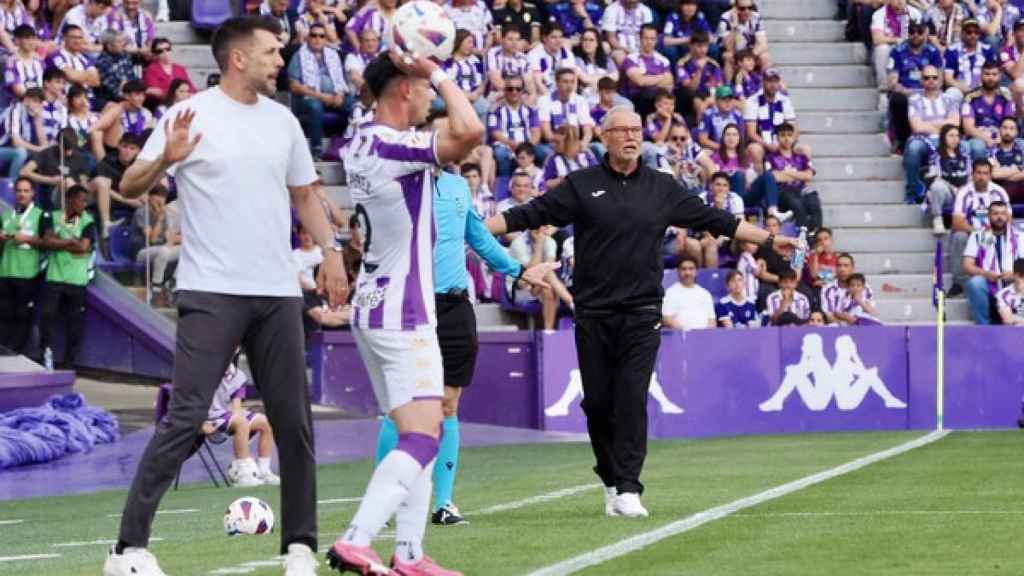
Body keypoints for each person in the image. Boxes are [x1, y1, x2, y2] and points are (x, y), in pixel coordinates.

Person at [105, 16, 347, 576]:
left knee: (294, 421)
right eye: (270, 52)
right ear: (238, 58)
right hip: (211, 291)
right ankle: (128, 550)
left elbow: (305, 195)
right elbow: (129, 186)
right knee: (186, 417)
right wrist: (169, 157)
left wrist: (332, 253)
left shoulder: (284, 121)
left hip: (277, 292)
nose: (278, 60)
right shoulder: (191, 117)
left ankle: (299, 549)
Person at [485, 106, 799, 518]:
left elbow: (715, 219)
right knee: (597, 404)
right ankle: (611, 478)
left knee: (631, 396)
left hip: (642, 310)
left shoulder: (662, 188)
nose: (632, 137)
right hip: (594, 310)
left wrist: (769, 239)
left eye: (637, 129)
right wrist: (471, 229)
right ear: (606, 135)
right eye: (623, 130)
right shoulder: (582, 185)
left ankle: (630, 486)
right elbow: (529, 214)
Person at [326, 44, 485, 575]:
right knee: (421, 434)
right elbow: (470, 131)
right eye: (419, 90)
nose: (427, 100)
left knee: (425, 429)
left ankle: (411, 553)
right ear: (403, 90)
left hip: (376, 301)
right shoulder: (393, 143)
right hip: (403, 310)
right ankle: (358, 538)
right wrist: (437, 70)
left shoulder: (360, 140)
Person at [38, 184, 94, 370]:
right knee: (46, 318)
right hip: (54, 277)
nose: (84, 204)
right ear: (70, 200)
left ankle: (70, 363)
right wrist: (70, 241)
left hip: (77, 280)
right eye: (81, 200)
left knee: (74, 324)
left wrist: (59, 242)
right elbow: (46, 241)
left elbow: (83, 247)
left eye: (86, 201)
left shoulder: (88, 221)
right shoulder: (52, 216)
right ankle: (44, 356)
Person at [203, 359, 282, 487]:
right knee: (242, 423)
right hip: (209, 416)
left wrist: (243, 426)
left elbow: (236, 407)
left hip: (226, 413)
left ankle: (263, 471)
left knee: (265, 423)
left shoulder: (239, 376)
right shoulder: (204, 370)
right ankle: (243, 473)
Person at [949, 159, 1009, 296]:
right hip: (972, 233)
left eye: (985, 173)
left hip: (997, 232)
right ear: (972, 174)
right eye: (979, 173)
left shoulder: (999, 192)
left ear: (990, 175)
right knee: (959, 236)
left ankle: (1007, 278)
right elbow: (957, 222)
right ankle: (959, 283)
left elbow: (1008, 219)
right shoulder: (964, 192)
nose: (982, 177)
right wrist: (978, 234)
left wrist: (993, 233)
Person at [287, 21, 347, 159]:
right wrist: (321, 96)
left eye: (321, 36)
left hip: (333, 97)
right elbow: (293, 86)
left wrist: (340, 95)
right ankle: (316, 149)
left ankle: (347, 145)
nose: (317, 39)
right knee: (315, 106)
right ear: (308, 38)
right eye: (313, 36)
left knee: (352, 104)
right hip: (308, 99)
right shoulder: (299, 56)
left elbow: (341, 81)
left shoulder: (333, 55)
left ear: (326, 39)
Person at [902, 64, 959, 201]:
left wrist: (928, 124)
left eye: (934, 77)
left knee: (966, 147)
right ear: (921, 80)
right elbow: (917, 127)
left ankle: (959, 191)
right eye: (927, 78)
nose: (931, 80)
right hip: (923, 141)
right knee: (913, 148)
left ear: (940, 80)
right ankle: (913, 191)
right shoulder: (914, 100)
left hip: (947, 139)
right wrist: (942, 125)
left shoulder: (949, 99)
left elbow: (955, 124)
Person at [0, 177, 43, 353]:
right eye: (19, 191)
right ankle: (3, 349)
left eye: (26, 191)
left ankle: (16, 350)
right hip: (5, 272)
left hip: (27, 274)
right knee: (3, 314)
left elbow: (48, 242)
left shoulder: (40, 215)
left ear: (33, 193)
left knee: (23, 314)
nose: (22, 194)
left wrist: (28, 239)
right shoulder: (5, 215)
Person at [962, 201, 1023, 323]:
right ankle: (984, 327)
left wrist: (1014, 274)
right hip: (989, 285)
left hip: (1015, 285)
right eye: (995, 214)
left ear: (1007, 216)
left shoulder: (1020, 236)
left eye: (1003, 213)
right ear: (989, 216)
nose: (999, 217)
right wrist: (986, 274)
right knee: (975, 283)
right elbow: (967, 265)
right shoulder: (977, 236)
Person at [885, 20, 941, 151]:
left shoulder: (933, 52)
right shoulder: (897, 52)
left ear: (925, 34)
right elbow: (892, 82)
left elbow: (939, 80)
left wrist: (924, 93)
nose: (915, 35)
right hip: (906, 92)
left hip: (928, 91)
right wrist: (909, 92)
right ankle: (902, 141)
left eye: (919, 32)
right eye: (912, 31)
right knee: (897, 99)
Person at [767, 122, 822, 232]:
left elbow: (809, 175)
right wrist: (800, 175)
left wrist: (787, 173)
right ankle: (802, 238)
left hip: (800, 190)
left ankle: (815, 235)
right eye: (783, 135)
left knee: (814, 203)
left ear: (793, 137)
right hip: (782, 192)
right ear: (777, 138)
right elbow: (774, 177)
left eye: (789, 135)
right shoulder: (770, 157)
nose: (786, 139)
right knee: (797, 204)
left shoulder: (802, 157)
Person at [744, 68, 798, 173]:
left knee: (804, 149)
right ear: (763, 82)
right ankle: (761, 182)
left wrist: (785, 144)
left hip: (782, 140)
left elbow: (794, 128)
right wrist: (768, 145)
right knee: (755, 149)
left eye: (776, 81)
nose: (773, 85)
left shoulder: (785, 100)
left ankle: (802, 186)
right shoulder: (752, 101)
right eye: (769, 81)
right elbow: (751, 133)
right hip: (761, 142)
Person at [132, 184, 178, 306]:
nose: (161, 200)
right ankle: (156, 288)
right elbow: (151, 239)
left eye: (163, 197)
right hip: (142, 251)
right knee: (163, 251)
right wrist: (159, 220)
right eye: (158, 196)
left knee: (184, 251)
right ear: (150, 197)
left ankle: (172, 281)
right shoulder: (142, 212)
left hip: (159, 250)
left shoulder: (165, 214)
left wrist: (171, 240)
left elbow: (168, 237)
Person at [961, 61, 1015, 161]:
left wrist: (1001, 138)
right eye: (987, 74)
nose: (990, 78)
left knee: (1021, 144)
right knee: (978, 147)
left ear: (1000, 76)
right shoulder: (971, 97)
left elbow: (1010, 124)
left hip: (1001, 136)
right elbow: (968, 128)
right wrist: (986, 139)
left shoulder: (1005, 97)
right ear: (981, 76)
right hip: (978, 137)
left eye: (994, 74)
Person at [488, 74, 541, 176]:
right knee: (501, 154)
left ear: (522, 91)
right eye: (510, 89)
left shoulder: (531, 109)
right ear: (504, 90)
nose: (514, 92)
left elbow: (536, 132)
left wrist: (525, 147)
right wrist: (512, 144)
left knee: (544, 151)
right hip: (505, 145)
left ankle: (540, 182)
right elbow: (495, 133)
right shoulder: (495, 109)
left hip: (527, 144)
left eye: (518, 89)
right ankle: (506, 182)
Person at [618, 24, 673, 119]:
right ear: (640, 39)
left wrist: (647, 79)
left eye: (652, 39)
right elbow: (639, 81)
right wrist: (662, 77)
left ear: (656, 40)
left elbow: (669, 82)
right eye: (646, 38)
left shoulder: (663, 60)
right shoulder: (631, 58)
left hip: (658, 97)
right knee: (648, 93)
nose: (649, 42)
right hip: (636, 98)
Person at [925, 123, 972, 235]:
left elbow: (971, 177)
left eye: (957, 136)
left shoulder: (965, 157)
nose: (955, 139)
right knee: (937, 186)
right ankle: (938, 220)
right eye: (951, 135)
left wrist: (963, 189)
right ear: (943, 137)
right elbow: (936, 177)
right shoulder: (936, 156)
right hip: (948, 194)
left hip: (964, 193)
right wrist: (954, 188)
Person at [870, 0, 921, 97]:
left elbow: (922, 36)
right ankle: (884, 89)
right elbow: (877, 39)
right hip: (890, 47)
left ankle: (917, 86)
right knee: (882, 48)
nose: (900, 1)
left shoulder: (915, 13)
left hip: (910, 46)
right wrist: (897, 40)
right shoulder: (879, 14)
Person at [943, 18, 997, 106]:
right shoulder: (952, 50)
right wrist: (966, 89)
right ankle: (952, 119)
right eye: (969, 32)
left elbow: (993, 74)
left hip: (983, 89)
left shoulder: (987, 49)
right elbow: (948, 79)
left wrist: (980, 90)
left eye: (976, 32)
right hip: (960, 89)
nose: (973, 35)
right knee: (951, 95)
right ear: (962, 34)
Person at [0, 87, 46, 178]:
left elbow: (43, 144)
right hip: (3, 147)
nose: (38, 105)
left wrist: (38, 121)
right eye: (35, 101)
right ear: (26, 100)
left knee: (47, 154)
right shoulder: (14, 111)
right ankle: (13, 184)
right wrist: (38, 149)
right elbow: (16, 142)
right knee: (20, 153)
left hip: (12, 149)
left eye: (40, 102)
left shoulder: (33, 114)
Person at [661, 255, 715, 330]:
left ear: (696, 271)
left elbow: (712, 321)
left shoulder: (705, 294)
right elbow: (667, 319)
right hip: (680, 337)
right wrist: (687, 333)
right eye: (684, 269)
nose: (687, 272)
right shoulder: (670, 293)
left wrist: (703, 336)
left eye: (691, 269)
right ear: (678, 271)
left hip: (704, 337)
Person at [821, 252, 875, 325]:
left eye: (846, 266)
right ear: (836, 268)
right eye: (839, 266)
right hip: (838, 330)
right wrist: (846, 329)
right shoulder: (828, 289)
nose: (842, 269)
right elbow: (829, 316)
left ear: (852, 268)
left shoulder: (865, 288)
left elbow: (871, 313)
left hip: (862, 328)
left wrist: (859, 301)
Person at [142, 37, 196, 102]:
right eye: (160, 51)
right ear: (155, 55)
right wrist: (179, 93)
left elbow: (192, 88)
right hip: (163, 105)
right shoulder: (151, 70)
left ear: (171, 50)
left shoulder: (180, 69)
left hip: (182, 102)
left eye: (167, 49)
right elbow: (155, 93)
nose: (165, 52)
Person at [93, 29, 137, 109]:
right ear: (109, 45)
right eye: (119, 42)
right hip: (111, 100)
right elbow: (113, 91)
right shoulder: (101, 62)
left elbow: (132, 78)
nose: (122, 44)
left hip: (130, 95)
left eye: (123, 41)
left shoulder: (125, 56)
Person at [528, 22, 575, 97]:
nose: (558, 41)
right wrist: (550, 100)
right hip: (542, 93)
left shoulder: (567, 53)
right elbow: (538, 82)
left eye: (560, 37)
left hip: (564, 92)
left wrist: (571, 97)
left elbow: (572, 78)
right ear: (544, 38)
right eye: (554, 37)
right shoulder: (534, 54)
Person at [600, 0, 653, 64]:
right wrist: (629, 51)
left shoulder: (645, 11)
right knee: (621, 56)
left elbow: (648, 35)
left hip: (641, 49)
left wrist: (642, 51)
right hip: (619, 49)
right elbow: (611, 39)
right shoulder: (611, 10)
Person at [4, 24, 44, 102]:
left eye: (33, 38)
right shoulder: (11, 63)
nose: (31, 42)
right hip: (16, 104)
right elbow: (18, 90)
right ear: (17, 40)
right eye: (27, 38)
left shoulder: (40, 61)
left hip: (39, 102)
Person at [697, 85, 743, 151]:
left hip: (734, 149)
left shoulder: (737, 115)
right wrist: (721, 148)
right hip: (715, 149)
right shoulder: (709, 115)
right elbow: (703, 139)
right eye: (724, 99)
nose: (727, 102)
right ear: (716, 101)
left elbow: (741, 138)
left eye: (730, 99)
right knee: (705, 153)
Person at [989, 116, 1024, 201]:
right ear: (999, 130)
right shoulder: (992, 149)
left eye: (1012, 129)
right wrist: (1017, 168)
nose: (1007, 131)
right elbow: (994, 174)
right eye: (1004, 128)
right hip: (1000, 187)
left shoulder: (1022, 147)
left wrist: (1003, 172)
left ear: (1017, 132)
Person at [995, 258, 1024, 325]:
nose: (1022, 280)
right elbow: (1007, 320)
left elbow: (1011, 318)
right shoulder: (1003, 294)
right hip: (1014, 332)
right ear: (1015, 275)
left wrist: (1014, 317)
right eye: (1020, 276)